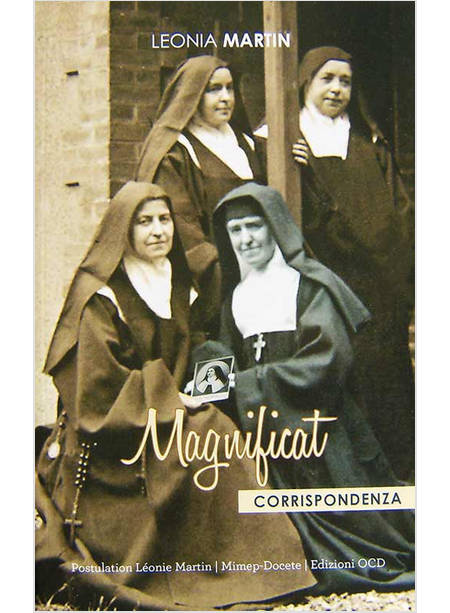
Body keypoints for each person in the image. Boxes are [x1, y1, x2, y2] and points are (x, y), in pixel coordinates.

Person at [35, 181, 316, 610]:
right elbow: (95, 387)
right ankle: (198, 573)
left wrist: (208, 380)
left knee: (218, 430)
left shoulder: (179, 281)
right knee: (204, 436)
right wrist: (171, 398)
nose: (158, 231)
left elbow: (198, 342)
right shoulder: (100, 296)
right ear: (123, 230)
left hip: (167, 412)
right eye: (144, 222)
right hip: (114, 432)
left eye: (164, 220)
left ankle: (251, 569)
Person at [194, 182, 414, 596]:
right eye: (236, 230)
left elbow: (326, 362)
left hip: (319, 429)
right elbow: (223, 356)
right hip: (263, 434)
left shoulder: (311, 285)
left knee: (369, 536)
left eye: (255, 226)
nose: (246, 239)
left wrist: (246, 384)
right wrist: (209, 378)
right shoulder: (234, 298)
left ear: (276, 226)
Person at [258, 46, 414, 480]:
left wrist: (396, 275)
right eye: (326, 79)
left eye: (345, 81)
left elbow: (396, 215)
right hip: (324, 279)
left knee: (383, 380)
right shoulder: (280, 143)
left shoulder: (369, 146)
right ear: (305, 83)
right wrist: (302, 173)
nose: (337, 89)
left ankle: (393, 476)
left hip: (376, 284)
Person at [136, 55, 265, 331]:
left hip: (257, 266)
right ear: (192, 95)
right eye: (213, 89)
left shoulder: (248, 144)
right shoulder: (176, 151)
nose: (225, 97)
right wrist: (221, 272)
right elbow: (183, 227)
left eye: (229, 88)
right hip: (210, 278)